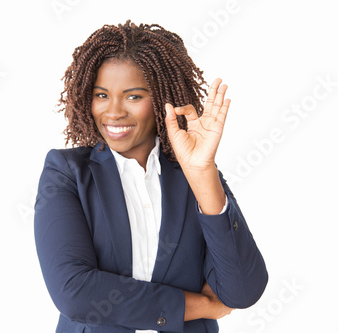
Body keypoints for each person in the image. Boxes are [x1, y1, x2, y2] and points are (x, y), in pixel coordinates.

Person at [34, 20, 268, 333]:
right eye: (101, 95)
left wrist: (202, 173)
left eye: (133, 96)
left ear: (162, 99)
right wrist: (199, 306)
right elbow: (76, 293)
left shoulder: (195, 176)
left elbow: (242, 291)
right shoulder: (67, 173)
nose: (113, 112)